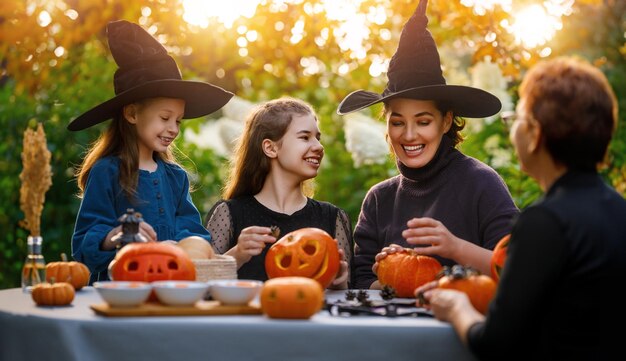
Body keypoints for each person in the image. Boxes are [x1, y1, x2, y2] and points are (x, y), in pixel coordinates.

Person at [416, 56, 626, 360]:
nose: (512, 129)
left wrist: (456, 307)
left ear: (535, 134)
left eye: (517, 118)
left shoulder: (545, 222)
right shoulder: (618, 211)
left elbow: (495, 343)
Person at [337, 0, 518, 290]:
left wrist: (455, 248)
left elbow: (519, 268)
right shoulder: (379, 199)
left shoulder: (481, 183)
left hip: (462, 331)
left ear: (446, 122)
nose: (409, 136)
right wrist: (392, 274)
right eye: (397, 122)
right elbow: (361, 281)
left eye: (423, 122)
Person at [69, 20, 234, 284]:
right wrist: (115, 235)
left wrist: (187, 246)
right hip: (122, 290)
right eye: (165, 117)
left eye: (178, 120)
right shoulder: (107, 171)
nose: (173, 129)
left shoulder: (175, 177)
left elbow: (193, 233)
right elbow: (84, 243)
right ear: (132, 113)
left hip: (172, 287)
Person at [205, 97, 352, 289]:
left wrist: (339, 281)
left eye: (318, 137)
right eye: (305, 137)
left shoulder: (333, 218)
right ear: (271, 147)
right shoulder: (229, 214)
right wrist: (237, 254)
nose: (318, 146)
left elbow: (349, 297)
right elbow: (201, 289)